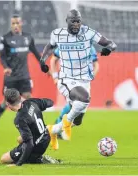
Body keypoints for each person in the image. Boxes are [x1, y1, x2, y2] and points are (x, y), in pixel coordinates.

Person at [39, 9, 116, 148]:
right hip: (66, 78)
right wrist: (42, 60)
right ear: (67, 21)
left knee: (79, 120)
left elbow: (111, 43)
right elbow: (50, 47)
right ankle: (66, 122)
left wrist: (109, 49)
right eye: (73, 21)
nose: (76, 24)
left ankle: (53, 130)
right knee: (84, 99)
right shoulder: (58, 34)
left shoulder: (88, 32)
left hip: (84, 80)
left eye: (78, 21)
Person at [0, 14, 41, 135]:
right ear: (11, 24)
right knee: (6, 102)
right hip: (11, 77)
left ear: (21, 23)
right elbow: (2, 57)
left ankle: (30, 127)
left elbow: (35, 53)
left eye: (17, 23)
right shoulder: (5, 38)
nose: (15, 26)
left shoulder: (28, 37)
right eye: (13, 23)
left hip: (24, 75)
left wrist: (43, 65)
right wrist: (6, 67)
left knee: (28, 99)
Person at [0, 88, 61, 166]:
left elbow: (29, 144)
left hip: (37, 145)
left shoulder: (19, 119)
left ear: (7, 104)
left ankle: (36, 159)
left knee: (3, 159)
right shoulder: (30, 102)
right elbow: (50, 102)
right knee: (19, 139)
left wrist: (18, 164)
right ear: (20, 98)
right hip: (46, 136)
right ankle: (32, 156)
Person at [52, 46, 99, 133]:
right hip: (69, 80)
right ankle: (57, 127)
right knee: (74, 103)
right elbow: (53, 59)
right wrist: (55, 76)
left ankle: (57, 128)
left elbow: (96, 64)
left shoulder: (90, 47)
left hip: (84, 82)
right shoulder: (66, 44)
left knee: (78, 120)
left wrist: (92, 76)